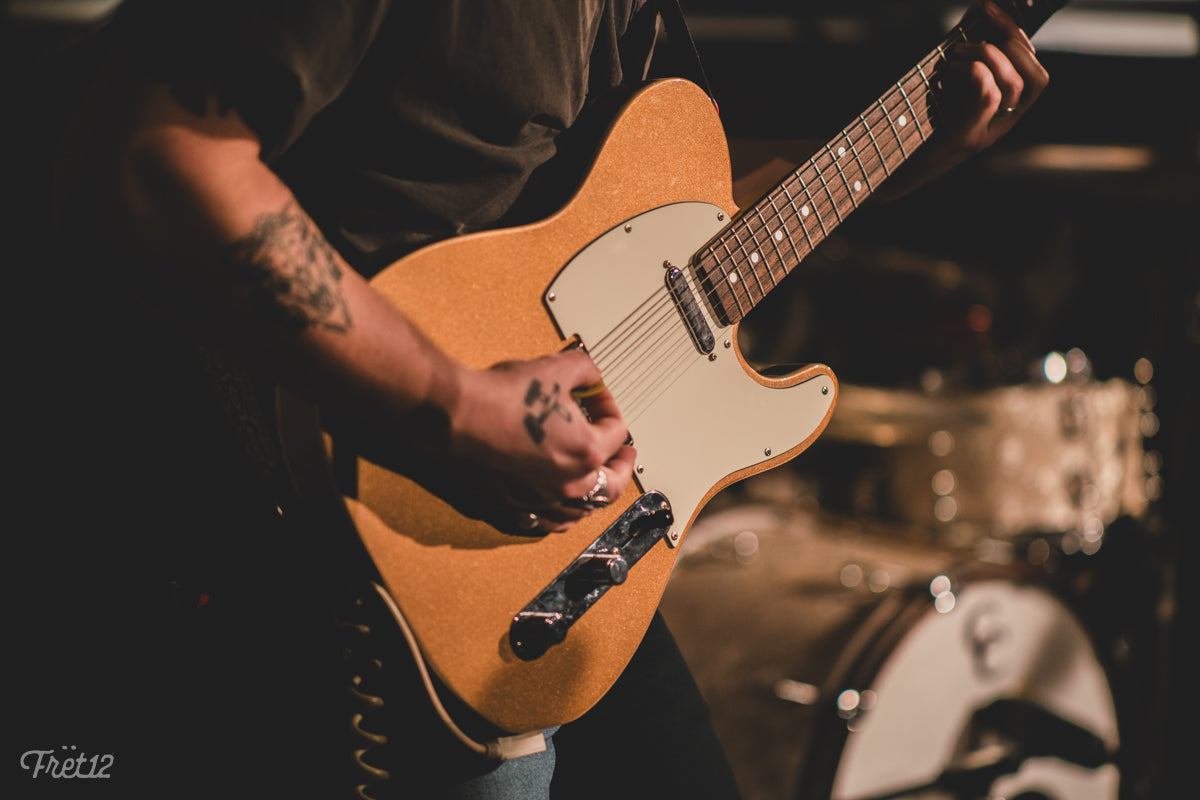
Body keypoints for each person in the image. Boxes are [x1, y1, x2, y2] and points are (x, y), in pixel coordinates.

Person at [9, 1, 1047, 797]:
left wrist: (911, 146)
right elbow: (160, 161)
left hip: (556, 552)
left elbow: (680, 216)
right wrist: (459, 412)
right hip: (321, 533)